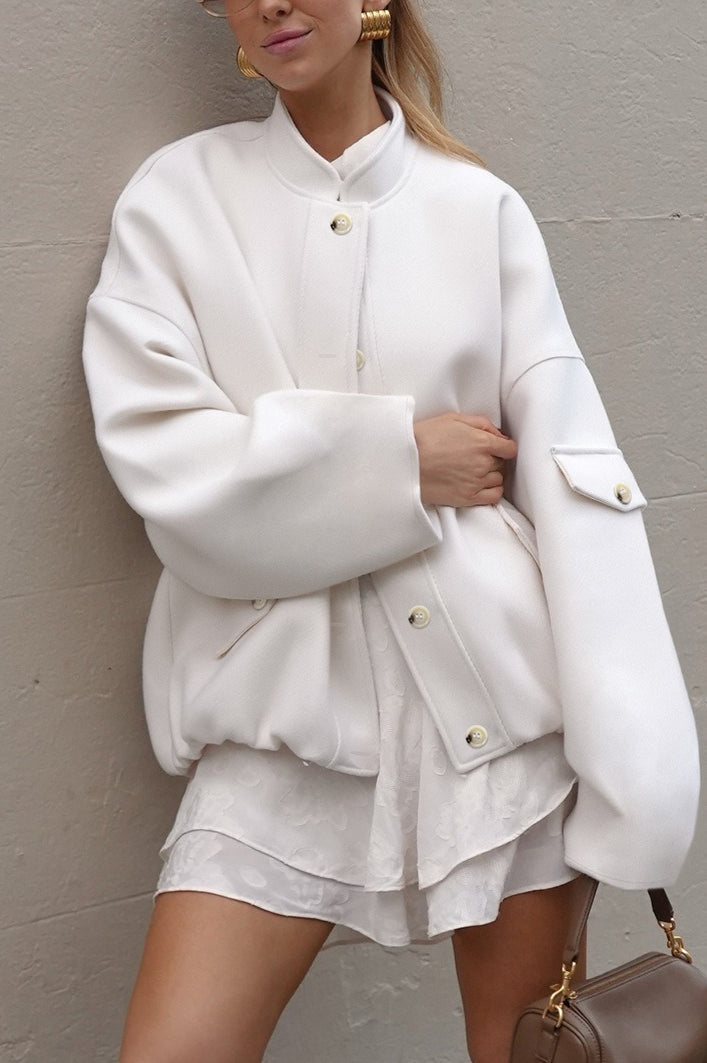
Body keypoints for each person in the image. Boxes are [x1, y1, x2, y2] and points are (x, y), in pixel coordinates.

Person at [82, 1, 700, 1060]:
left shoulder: (478, 209)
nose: (272, 2)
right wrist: (400, 464)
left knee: (521, 1051)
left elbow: (577, 492)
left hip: (505, 735)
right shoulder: (176, 202)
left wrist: (634, 782)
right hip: (283, 735)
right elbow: (169, 469)